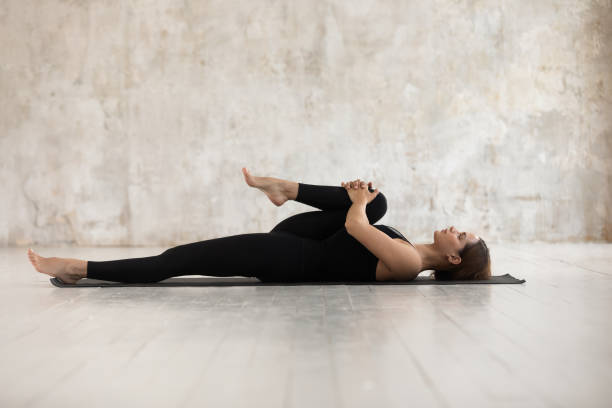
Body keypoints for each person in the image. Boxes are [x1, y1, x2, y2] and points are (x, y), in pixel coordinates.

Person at [27, 167, 490, 284]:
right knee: (380, 200)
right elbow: (355, 218)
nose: (456, 227)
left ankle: (80, 267)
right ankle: (283, 188)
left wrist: (357, 202)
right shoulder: (407, 243)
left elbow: (354, 228)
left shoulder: (408, 262)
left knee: (182, 259)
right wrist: (366, 198)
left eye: (463, 236)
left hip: (292, 259)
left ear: (453, 258)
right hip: (302, 240)